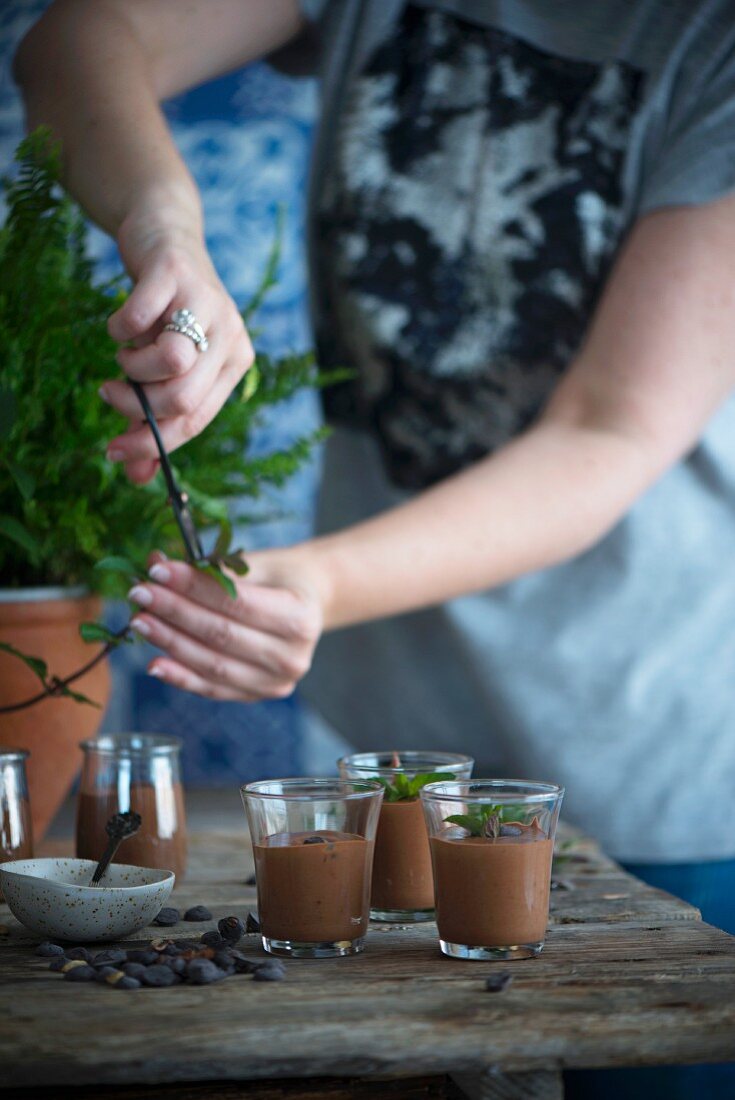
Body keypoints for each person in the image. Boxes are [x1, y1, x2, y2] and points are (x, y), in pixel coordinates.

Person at [15, 3, 735, 1094]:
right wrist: (167, 230)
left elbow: (612, 428)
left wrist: (316, 579)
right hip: (389, 739)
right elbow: (75, 36)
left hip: (643, 748)